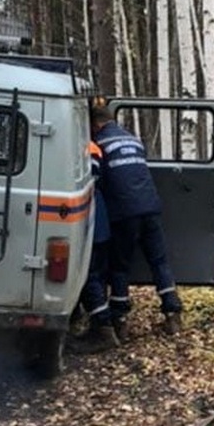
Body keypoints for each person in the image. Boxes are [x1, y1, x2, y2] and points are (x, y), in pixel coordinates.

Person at [90, 104, 183, 338]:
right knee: (159, 261)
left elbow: (97, 180)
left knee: (119, 266)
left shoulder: (99, 144)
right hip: (150, 207)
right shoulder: (133, 140)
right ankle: (173, 314)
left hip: (124, 212)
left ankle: (119, 318)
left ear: (96, 124)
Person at [70, 140, 120, 353]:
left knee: (90, 277)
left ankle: (103, 327)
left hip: (92, 226)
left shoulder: (87, 148)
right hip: (99, 224)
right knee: (95, 277)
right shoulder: (91, 147)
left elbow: (93, 180)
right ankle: (97, 324)